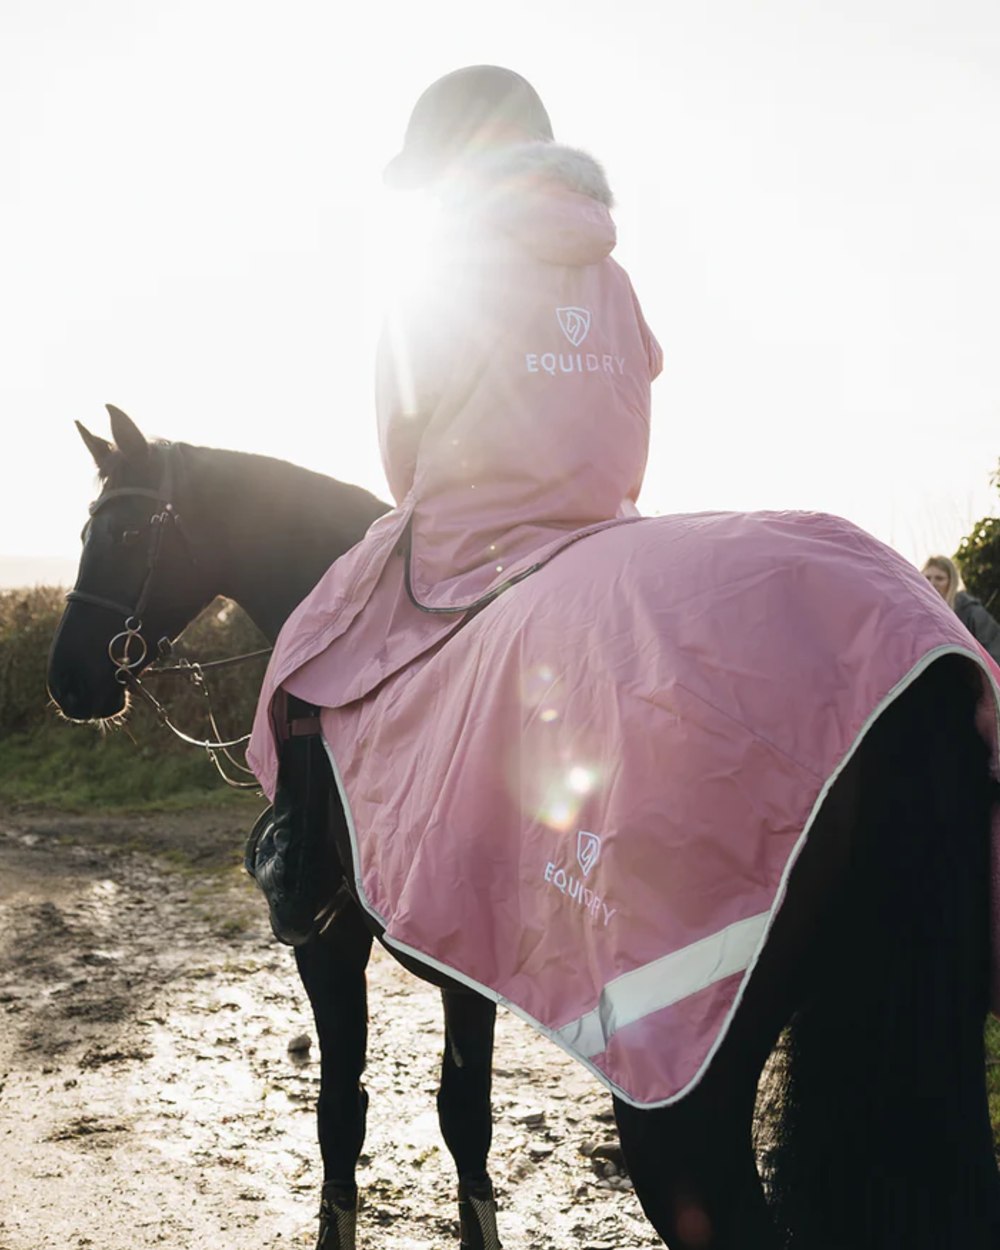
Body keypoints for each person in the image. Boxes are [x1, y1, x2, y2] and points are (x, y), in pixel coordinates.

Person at [244, 64, 663, 944]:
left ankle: (305, 865)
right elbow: (639, 383)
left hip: (473, 537)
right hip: (604, 528)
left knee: (309, 656)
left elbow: (401, 438)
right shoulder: (613, 273)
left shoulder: (444, 269)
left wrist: (435, 502)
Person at [922, 554, 1000, 663]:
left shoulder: (972, 613)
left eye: (939, 578)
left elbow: (995, 651)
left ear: (952, 582)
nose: (932, 583)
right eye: (927, 578)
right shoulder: (920, 617)